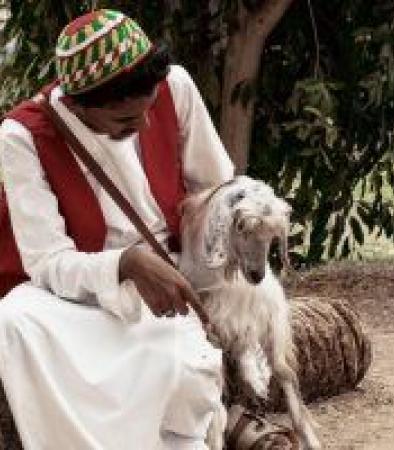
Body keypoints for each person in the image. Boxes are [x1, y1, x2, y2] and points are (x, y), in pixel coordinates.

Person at [0, 9, 293, 449]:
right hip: (80, 289)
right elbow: (47, 261)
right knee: (15, 320)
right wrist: (123, 265)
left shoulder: (175, 85)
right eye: (123, 123)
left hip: (172, 271)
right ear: (78, 105)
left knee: (175, 365)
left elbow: (213, 188)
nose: (143, 126)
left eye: (149, 109)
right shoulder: (21, 136)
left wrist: (238, 224)